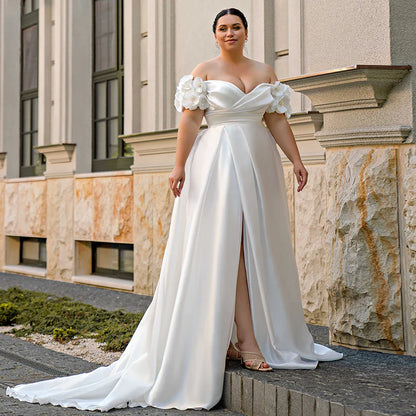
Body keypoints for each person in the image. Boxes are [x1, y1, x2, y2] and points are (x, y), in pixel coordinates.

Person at [6, 7, 343, 412]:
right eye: (222, 27)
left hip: (260, 164)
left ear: (246, 32)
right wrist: (179, 165)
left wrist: (297, 159)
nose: (229, 32)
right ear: (215, 34)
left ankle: (238, 339)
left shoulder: (266, 72)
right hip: (217, 162)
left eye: (236, 26)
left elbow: (276, 121)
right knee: (229, 244)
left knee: (259, 245)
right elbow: (189, 123)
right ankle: (246, 338)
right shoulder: (203, 70)